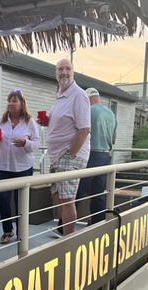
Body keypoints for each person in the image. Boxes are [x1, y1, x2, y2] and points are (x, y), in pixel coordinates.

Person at [43, 58, 90, 236]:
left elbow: (84, 128)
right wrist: (49, 121)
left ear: (73, 72)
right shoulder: (61, 95)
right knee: (58, 197)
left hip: (68, 155)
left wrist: (70, 154)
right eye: (60, 69)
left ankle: (68, 241)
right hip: (57, 155)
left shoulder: (78, 95)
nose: (63, 72)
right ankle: (64, 233)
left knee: (67, 199)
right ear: (56, 73)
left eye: (67, 68)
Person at [0, 89, 39, 244]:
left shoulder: (29, 122)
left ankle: (22, 232)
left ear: (21, 104)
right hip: (3, 167)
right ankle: (7, 230)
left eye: (14, 101)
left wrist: (25, 143)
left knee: (21, 202)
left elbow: (37, 144)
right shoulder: (1, 120)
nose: (10, 103)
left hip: (23, 168)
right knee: (3, 201)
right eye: (9, 100)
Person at [76, 87, 117, 224]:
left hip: (91, 154)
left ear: (87, 99)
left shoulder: (88, 111)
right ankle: (97, 223)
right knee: (98, 192)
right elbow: (114, 139)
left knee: (78, 190)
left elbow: (81, 132)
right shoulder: (111, 113)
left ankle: (64, 226)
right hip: (106, 156)